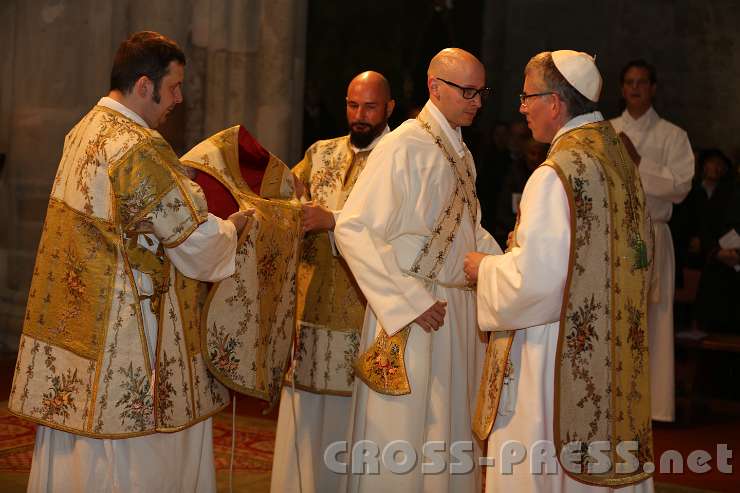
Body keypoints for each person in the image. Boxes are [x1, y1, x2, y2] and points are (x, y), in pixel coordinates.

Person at [7, 31, 252, 492]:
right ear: (145, 85)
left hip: (77, 323)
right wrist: (233, 229)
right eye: (175, 86)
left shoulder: (83, 130)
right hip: (128, 332)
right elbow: (195, 244)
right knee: (135, 452)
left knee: (81, 445)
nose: (179, 98)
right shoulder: (139, 147)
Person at [465, 50, 654, 492]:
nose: (521, 107)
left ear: (555, 102)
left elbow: (537, 282)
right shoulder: (619, 161)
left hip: (553, 352)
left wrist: (487, 269)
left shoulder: (555, 173)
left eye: (528, 96)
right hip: (611, 350)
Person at [334, 48, 501, 492]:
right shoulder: (403, 145)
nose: (477, 102)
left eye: (481, 92)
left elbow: (471, 230)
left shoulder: (460, 152)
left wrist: (508, 267)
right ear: (435, 88)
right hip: (413, 317)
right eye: (467, 91)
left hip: (454, 313)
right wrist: (409, 303)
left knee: (447, 441)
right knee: (403, 444)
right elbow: (353, 228)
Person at [270, 71, 395, 493]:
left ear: (389, 108)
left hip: (363, 313)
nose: (359, 116)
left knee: (347, 426)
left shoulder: (399, 159)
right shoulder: (320, 153)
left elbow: (399, 231)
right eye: (352, 105)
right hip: (310, 308)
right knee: (304, 420)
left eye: (370, 107)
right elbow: (290, 201)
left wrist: (334, 221)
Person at [610, 59, 694, 422]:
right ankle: (613, 400)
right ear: (621, 88)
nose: (635, 88)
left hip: (654, 232)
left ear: (654, 87)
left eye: (642, 81)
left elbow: (680, 187)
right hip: (615, 236)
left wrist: (639, 161)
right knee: (615, 315)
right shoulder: (607, 131)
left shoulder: (672, 135)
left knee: (654, 319)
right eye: (629, 81)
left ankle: (654, 407)